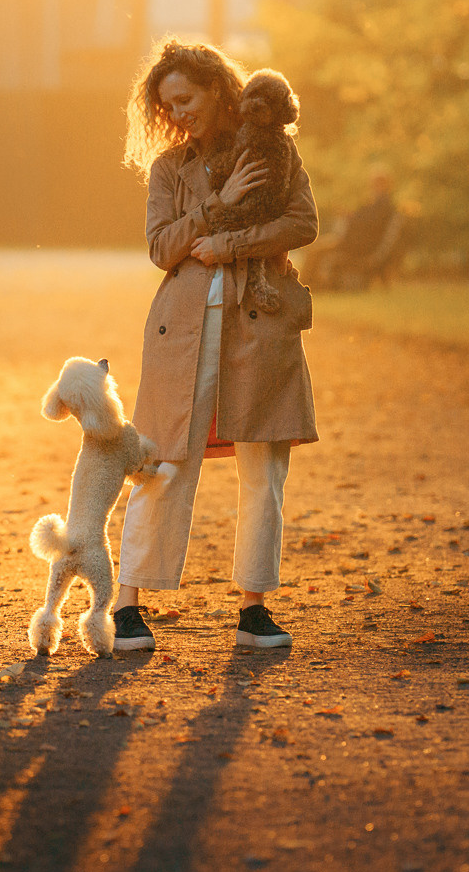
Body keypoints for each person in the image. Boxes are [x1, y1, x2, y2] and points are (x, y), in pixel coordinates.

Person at [111, 40, 320, 652]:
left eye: (186, 99)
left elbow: (303, 223)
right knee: (165, 458)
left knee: (264, 467)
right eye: (167, 105)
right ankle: (130, 603)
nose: (177, 114)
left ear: (219, 90)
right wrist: (217, 207)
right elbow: (160, 248)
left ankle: (254, 608)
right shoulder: (170, 169)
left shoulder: (275, 153)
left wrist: (231, 244)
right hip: (184, 330)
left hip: (260, 323)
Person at [310, 168, 400, 290]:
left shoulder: (385, 206)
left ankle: (308, 284)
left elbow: (369, 225)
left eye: (377, 184)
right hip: (353, 243)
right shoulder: (375, 204)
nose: (373, 187)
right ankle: (312, 284)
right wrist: (349, 216)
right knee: (317, 247)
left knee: (317, 249)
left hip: (358, 246)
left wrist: (350, 218)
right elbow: (363, 219)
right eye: (373, 184)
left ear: (386, 185)